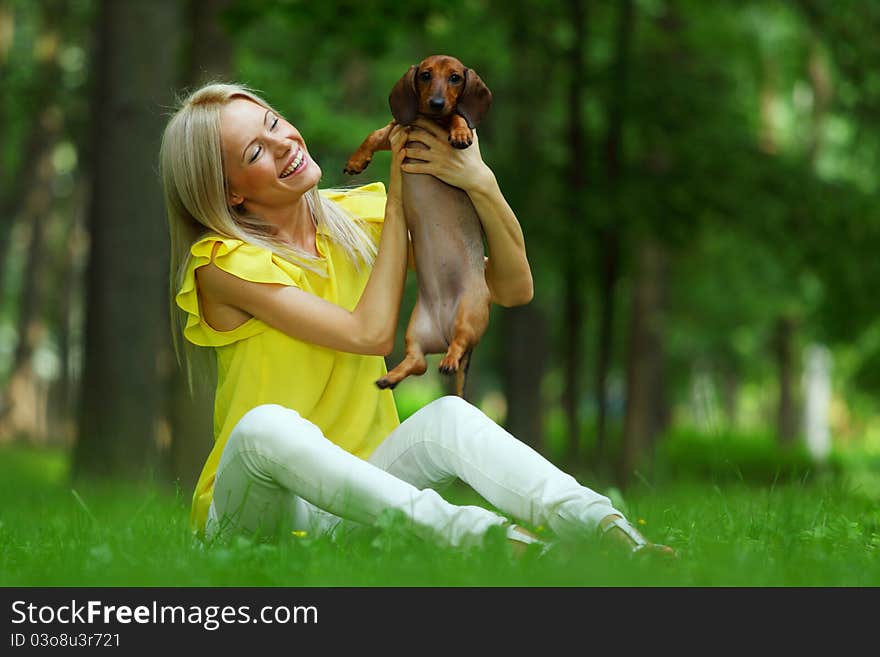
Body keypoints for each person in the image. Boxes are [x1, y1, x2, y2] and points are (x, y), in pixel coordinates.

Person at [159, 82, 674, 558]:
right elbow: (369, 334)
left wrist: (481, 183)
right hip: (255, 514)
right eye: (254, 152)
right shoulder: (221, 263)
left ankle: (610, 533)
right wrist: (403, 196)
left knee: (446, 419)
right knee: (263, 427)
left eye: (273, 124)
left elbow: (513, 287)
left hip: (358, 498)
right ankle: (483, 540)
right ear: (231, 193)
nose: (283, 144)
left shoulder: (356, 221)